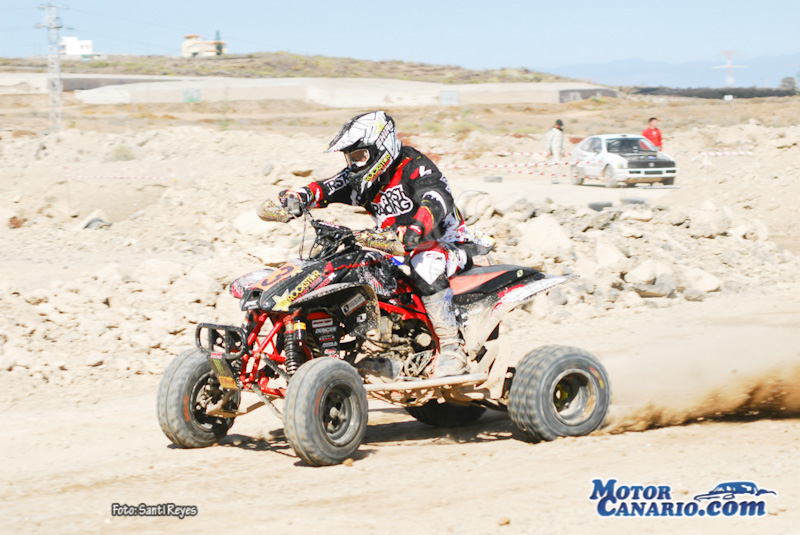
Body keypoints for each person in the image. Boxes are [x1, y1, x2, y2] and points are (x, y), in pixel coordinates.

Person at [278, 111, 474, 378]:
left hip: (447, 244)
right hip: (396, 249)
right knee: (353, 267)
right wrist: (300, 196)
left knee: (425, 262)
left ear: (381, 147)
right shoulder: (362, 180)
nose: (354, 164)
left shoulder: (414, 166)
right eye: (350, 158)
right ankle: (378, 348)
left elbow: (437, 197)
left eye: (359, 156)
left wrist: (417, 227)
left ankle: (452, 348)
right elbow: (327, 187)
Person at [546, 119, 564, 184]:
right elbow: (549, 141)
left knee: (558, 164)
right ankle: (553, 178)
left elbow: (561, 142)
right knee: (555, 163)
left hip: (559, 149)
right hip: (554, 149)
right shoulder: (552, 131)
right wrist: (549, 151)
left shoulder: (561, 131)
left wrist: (562, 151)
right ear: (556, 125)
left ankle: (555, 178)